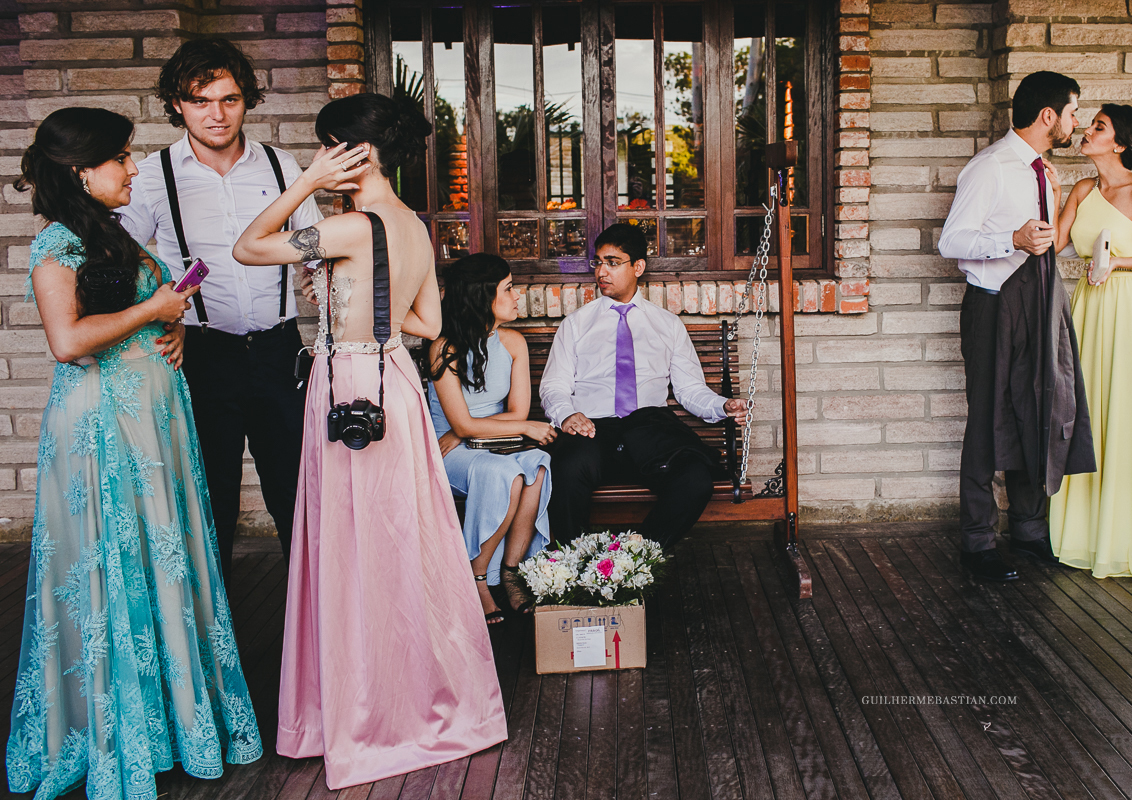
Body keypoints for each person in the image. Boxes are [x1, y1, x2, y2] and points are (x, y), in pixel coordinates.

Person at [232, 92, 506, 789]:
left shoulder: (352, 225)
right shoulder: (413, 224)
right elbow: (428, 322)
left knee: (354, 546)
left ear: (357, 153)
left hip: (349, 385)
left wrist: (304, 185)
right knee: (400, 541)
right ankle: (419, 698)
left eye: (330, 147)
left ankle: (367, 712)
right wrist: (351, 300)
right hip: (395, 384)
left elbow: (247, 247)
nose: (322, 158)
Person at [7, 107, 262, 800]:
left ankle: (170, 721)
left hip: (153, 423)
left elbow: (137, 312)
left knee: (159, 560)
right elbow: (68, 340)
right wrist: (154, 313)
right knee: (115, 565)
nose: (134, 167)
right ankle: (123, 731)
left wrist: (171, 332)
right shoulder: (57, 242)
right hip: (104, 428)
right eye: (121, 157)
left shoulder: (113, 231)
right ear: (79, 171)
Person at [120, 38, 322, 583]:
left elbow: (317, 246)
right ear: (177, 104)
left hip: (280, 350)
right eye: (200, 100)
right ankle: (215, 625)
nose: (217, 114)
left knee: (296, 493)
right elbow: (119, 260)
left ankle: (312, 621)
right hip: (201, 355)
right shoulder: (152, 175)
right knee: (211, 499)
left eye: (229, 99)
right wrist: (158, 312)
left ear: (246, 99)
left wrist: (317, 276)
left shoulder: (282, 165)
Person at [938, 70, 1093, 582]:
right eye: (1072, 113)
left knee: (1039, 408)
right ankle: (978, 543)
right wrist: (1012, 240)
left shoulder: (1043, 171)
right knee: (988, 420)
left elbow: (1048, 239)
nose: (1076, 122)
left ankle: (1029, 532)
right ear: (1048, 115)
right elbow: (951, 241)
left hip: (1041, 305)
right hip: (993, 308)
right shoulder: (990, 167)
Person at [1044, 104, 1132, 582]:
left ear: (1120, 143)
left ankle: (1126, 535)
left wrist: (1118, 263)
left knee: (1126, 410)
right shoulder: (1084, 190)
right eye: (1090, 124)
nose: (1087, 130)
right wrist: (1055, 193)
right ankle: (1084, 534)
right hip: (1091, 307)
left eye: (1099, 127)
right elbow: (1055, 242)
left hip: (1130, 309)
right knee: (1089, 409)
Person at [540, 223, 749, 548]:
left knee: (695, 478)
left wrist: (722, 405)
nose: (601, 272)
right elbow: (554, 385)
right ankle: (576, 564)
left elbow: (689, 389)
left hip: (650, 429)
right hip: (593, 429)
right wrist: (566, 415)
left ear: (638, 267)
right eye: (598, 262)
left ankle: (636, 557)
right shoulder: (576, 324)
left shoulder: (667, 324)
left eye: (613, 262)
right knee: (566, 470)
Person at [428, 254, 556, 624]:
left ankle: (512, 570)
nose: (518, 296)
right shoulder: (444, 348)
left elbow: (517, 412)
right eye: (509, 288)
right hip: (448, 450)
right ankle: (477, 575)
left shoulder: (513, 343)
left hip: (482, 440)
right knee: (505, 474)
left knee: (537, 465)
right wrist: (468, 428)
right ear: (483, 297)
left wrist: (467, 427)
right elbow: (475, 425)